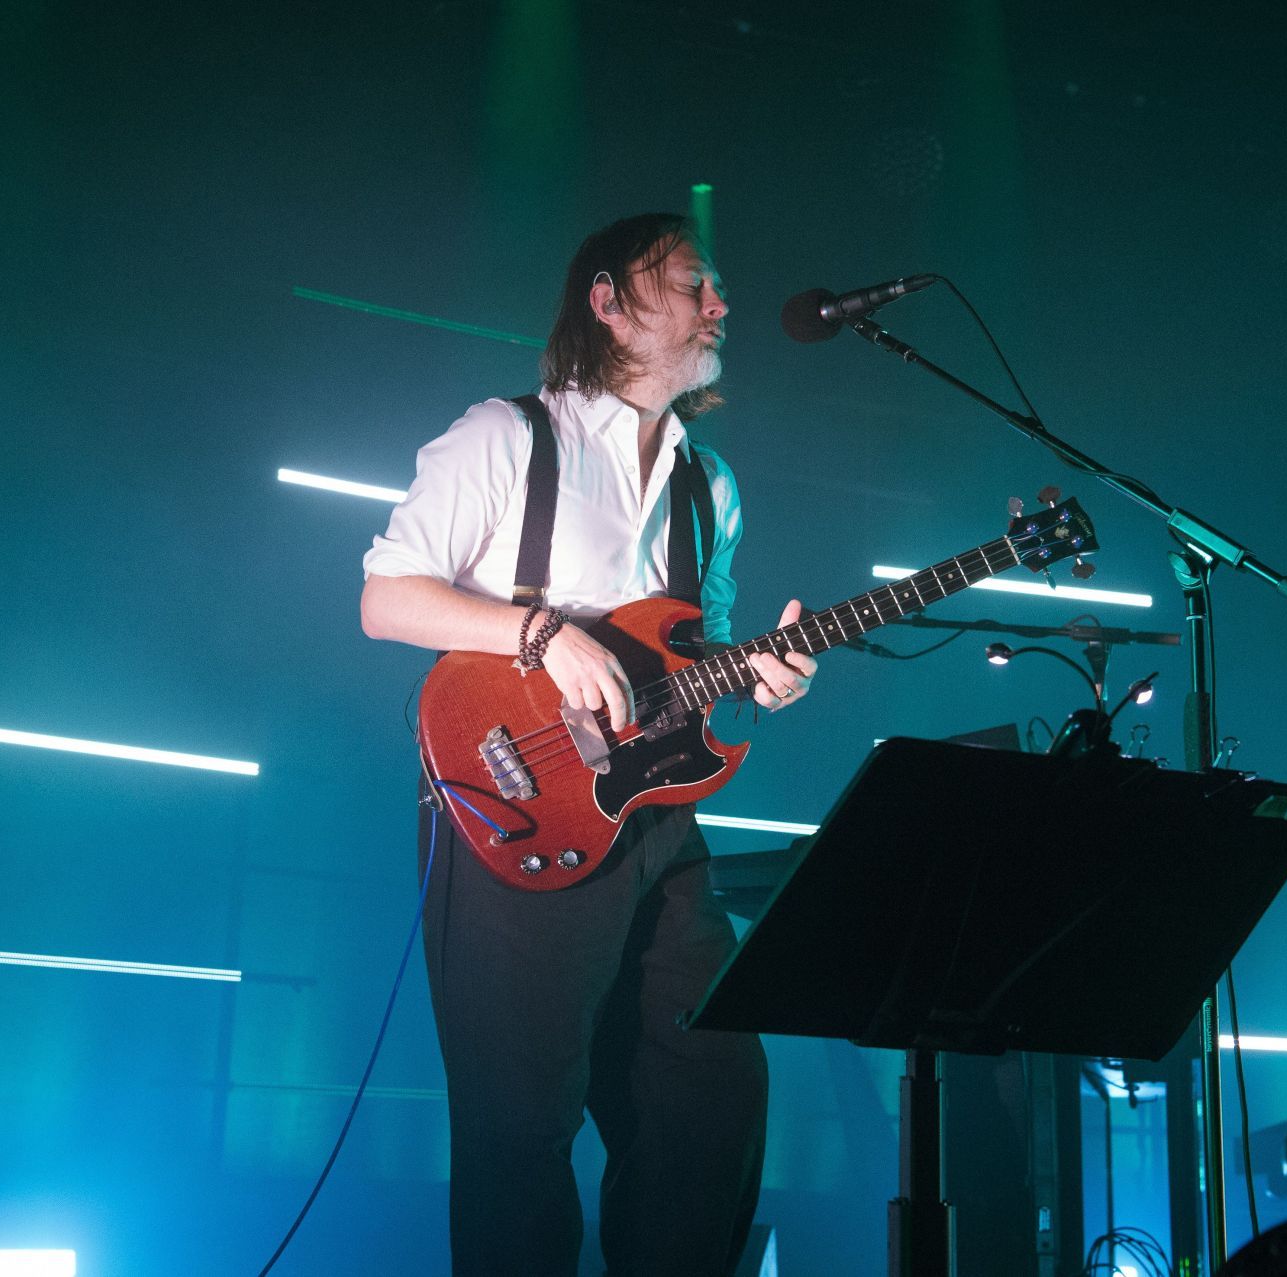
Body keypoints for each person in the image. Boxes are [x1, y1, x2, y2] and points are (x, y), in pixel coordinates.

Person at [359, 212, 817, 1277]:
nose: (722, 304)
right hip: (516, 807)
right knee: (522, 1134)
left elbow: (699, 677)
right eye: (696, 282)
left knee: (710, 1106)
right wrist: (540, 631)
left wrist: (767, 674)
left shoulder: (716, 485)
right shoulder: (507, 435)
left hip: (661, 826)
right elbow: (386, 597)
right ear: (608, 300)